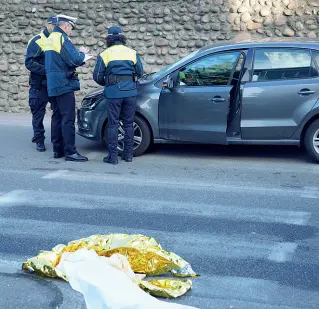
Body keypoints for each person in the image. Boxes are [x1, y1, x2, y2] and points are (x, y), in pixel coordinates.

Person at [93, 26, 144, 165]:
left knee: (113, 124)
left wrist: (108, 83)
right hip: (130, 93)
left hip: (113, 93)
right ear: (122, 38)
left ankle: (113, 157)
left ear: (108, 38)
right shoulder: (132, 52)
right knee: (128, 123)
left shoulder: (105, 54)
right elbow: (140, 72)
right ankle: (128, 155)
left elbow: (97, 76)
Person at [45, 14, 91, 162]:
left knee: (57, 117)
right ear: (65, 26)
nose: (71, 31)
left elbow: (60, 61)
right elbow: (75, 59)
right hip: (64, 84)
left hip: (53, 84)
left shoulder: (50, 38)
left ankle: (58, 150)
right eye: (70, 28)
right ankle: (70, 152)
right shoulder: (62, 38)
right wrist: (83, 53)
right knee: (68, 119)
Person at [25, 16, 57, 152]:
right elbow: (29, 62)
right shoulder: (37, 41)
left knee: (58, 113)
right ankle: (39, 140)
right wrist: (47, 71)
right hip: (40, 84)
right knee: (38, 113)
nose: (55, 28)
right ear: (47, 25)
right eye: (53, 26)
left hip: (55, 84)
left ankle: (57, 141)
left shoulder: (58, 40)